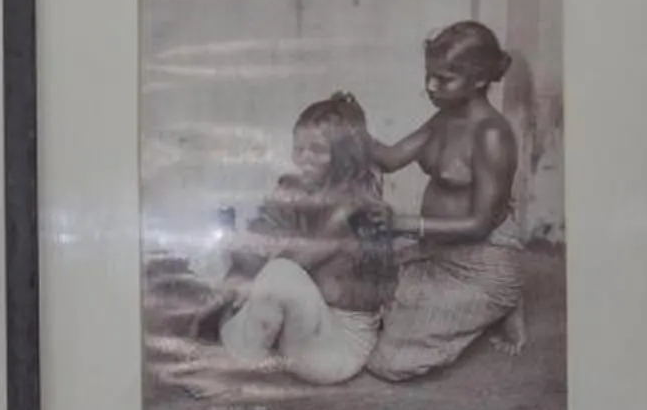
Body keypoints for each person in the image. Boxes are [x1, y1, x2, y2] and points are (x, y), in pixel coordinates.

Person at [364, 20, 525, 381]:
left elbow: (482, 223)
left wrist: (402, 224)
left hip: (483, 263)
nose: (430, 87)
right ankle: (451, 307)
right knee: (361, 290)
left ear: (480, 80)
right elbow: (389, 158)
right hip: (436, 250)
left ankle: (504, 304)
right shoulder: (444, 118)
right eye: (428, 76)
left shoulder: (492, 134)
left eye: (443, 79)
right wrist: (354, 126)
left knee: (388, 363)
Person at [200, 92, 396, 384]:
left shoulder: (352, 205)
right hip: (307, 326)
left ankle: (232, 372)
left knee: (278, 273)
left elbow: (295, 262)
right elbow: (264, 238)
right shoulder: (301, 189)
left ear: (343, 156)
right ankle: (228, 332)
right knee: (228, 257)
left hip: (337, 348)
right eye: (298, 149)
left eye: (317, 150)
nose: (304, 159)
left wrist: (246, 273)